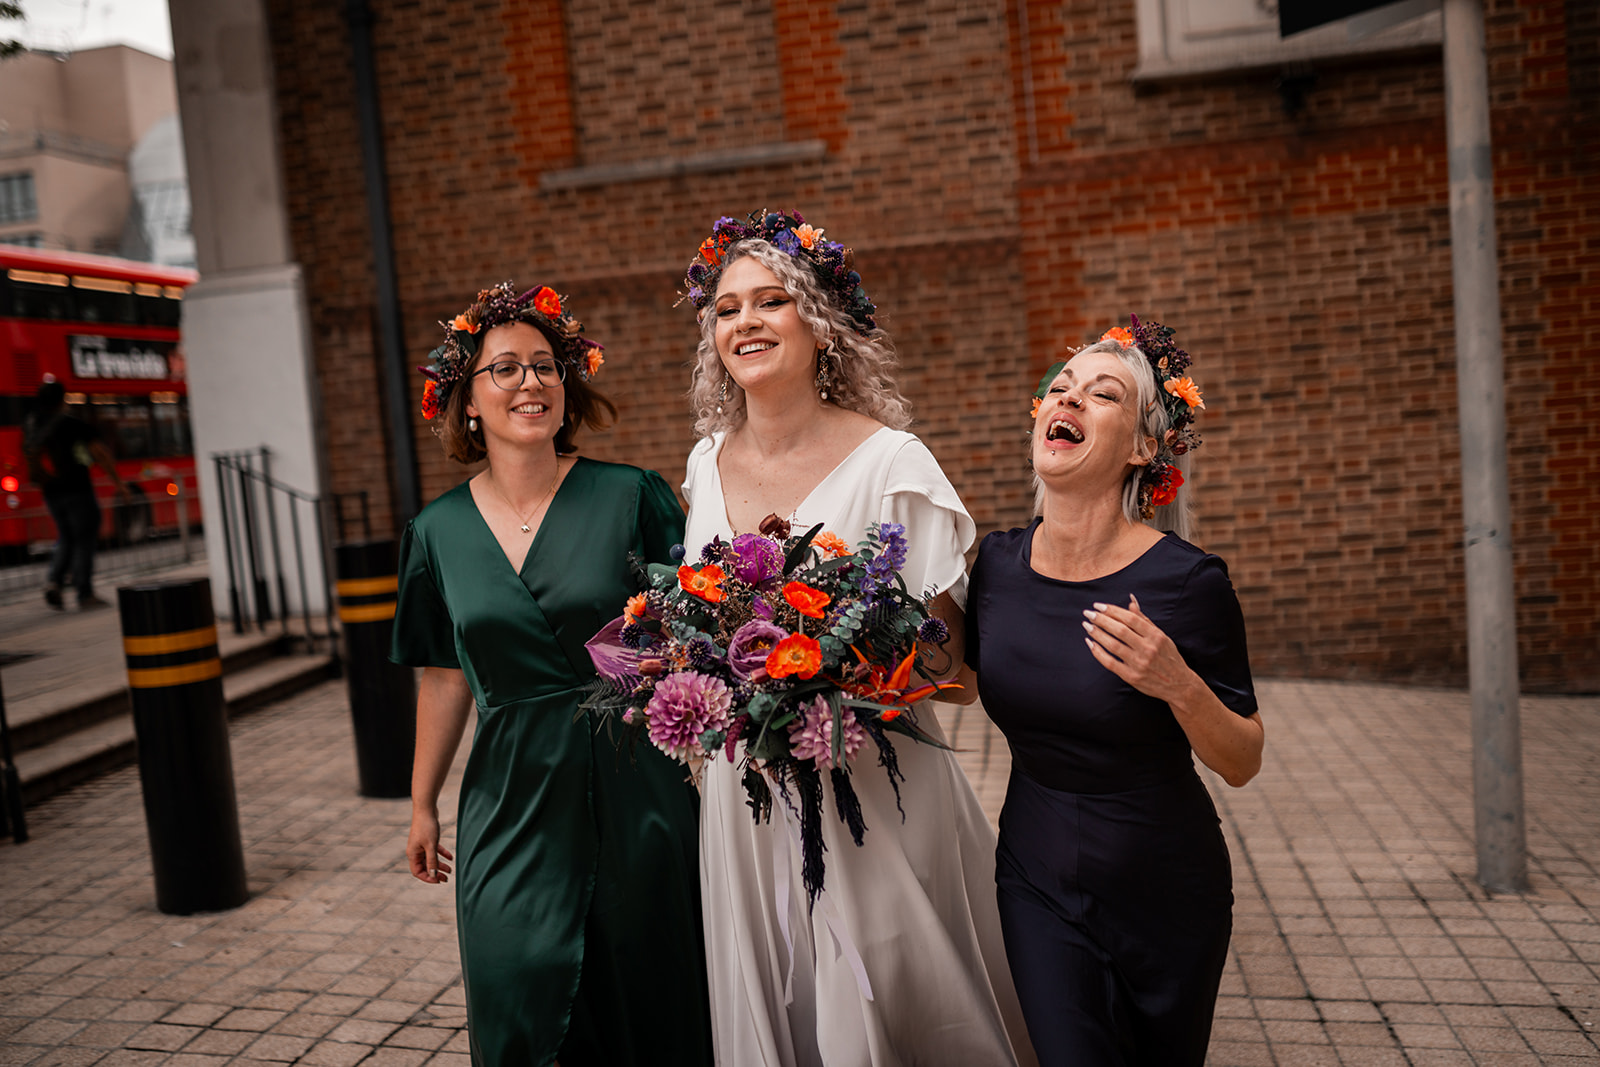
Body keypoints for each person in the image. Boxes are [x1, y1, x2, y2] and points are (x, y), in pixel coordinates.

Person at [679, 211, 1036, 1067]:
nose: (747, 323)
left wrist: (835, 679)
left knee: (889, 994)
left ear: (820, 321)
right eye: (728, 309)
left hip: (873, 786)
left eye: (773, 301)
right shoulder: (703, 461)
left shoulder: (892, 463)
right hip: (745, 793)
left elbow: (952, 671)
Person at [391, 282, 712, 1066]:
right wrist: (422, 803)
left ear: (567, 389)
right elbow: (443, 674)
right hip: (511, 794)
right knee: (516, 983)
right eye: (504, 368)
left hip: (639, 784)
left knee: (650, 993)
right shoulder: (434, 533)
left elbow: (694, 630)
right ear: (466, 401)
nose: (529, 382)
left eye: (544, 366)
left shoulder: (630, 493)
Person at [964, 322, 1264, 1066]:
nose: (1069, 397)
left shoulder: (1187, 583)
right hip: (1034, 873)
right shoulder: (997, 563)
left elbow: (1243, 759)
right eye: (1060, 388)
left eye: (1103, 393)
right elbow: (959, 683)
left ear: (1140, 448)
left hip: (1165, 887)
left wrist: (1178, 683)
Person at [24, 380, 127, 609]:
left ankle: (54, 582)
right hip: (77, 490)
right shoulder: (71, 423)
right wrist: (119, 483)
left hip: (50, 491)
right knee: (84, 539)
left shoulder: (32, 423)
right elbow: (99, 452)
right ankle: (84, 592)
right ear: (63, 398)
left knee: (66, 536)